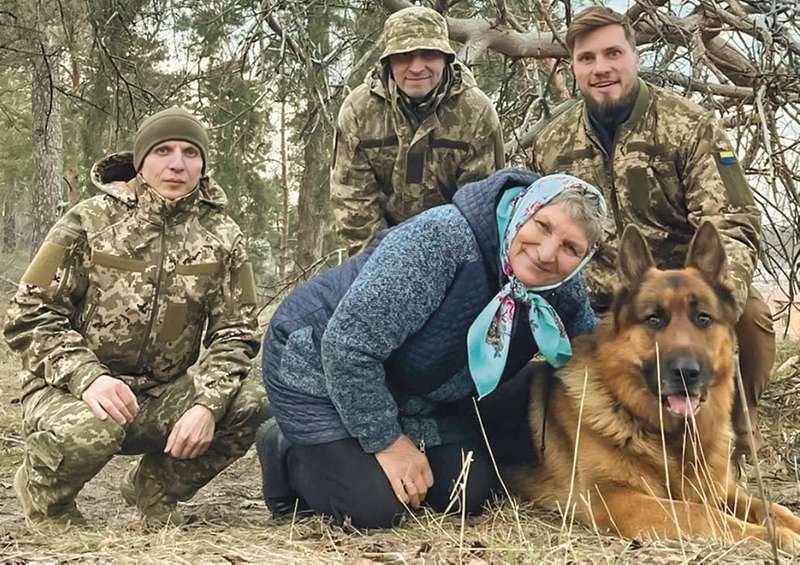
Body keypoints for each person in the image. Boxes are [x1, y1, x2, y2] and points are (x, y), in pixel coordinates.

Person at [257, 169, 607, 528]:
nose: (547, 253)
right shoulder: (442, 239)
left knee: (467, 492)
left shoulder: (562, 290)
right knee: (374, 507)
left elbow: (598, 359)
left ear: (583, 259)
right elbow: (347, 347)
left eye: (570, 248)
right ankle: (284, 448)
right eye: (543, 226)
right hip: (317, 364)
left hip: (409, 390)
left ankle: (362, 443)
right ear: (523, 208)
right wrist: (389, 443)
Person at [5, 106, 269, 527]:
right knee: (95, 429)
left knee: (252, 402)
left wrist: (206, 403)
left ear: (203, 164)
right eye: (163, 150)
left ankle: (155, 487)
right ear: (141, 162)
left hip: (160, 396)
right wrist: (87, 375)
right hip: (70, 391)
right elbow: (28, 314)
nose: (177, 164)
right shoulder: (88, 222)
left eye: (190, 152)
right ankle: (47, 501)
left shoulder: (222, 235)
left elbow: (235, 334)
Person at [528, 6, 773, 457]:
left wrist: (715, 293)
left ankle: (734, 428)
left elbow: (735, 219)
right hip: (593, 300)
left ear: (635, 56)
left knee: (752, 317)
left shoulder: (692, 124)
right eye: (587, 59)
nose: (601, 68)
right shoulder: (551, 141)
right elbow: (531, 228)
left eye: (612, 53)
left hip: (682, 295)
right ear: (573, 67)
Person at [331, 6, 505, 256]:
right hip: (377, 252)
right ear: (388, 61)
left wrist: (445, 268)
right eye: (404, 55)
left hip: (454, 253)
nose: (416, 67)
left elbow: (481, 208)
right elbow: (353, 203)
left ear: (446, 58)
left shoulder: (475, 113)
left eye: (429, 54)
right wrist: (380, 266)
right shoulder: (360, 112)